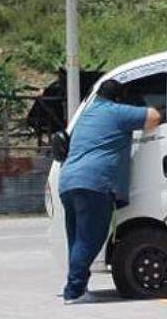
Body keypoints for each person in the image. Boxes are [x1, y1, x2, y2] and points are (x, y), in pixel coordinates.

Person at [58, 79, 161, 303]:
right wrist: (142, 105)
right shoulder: (116, 112)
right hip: (94, 184)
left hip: (68, 182)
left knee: (76, 240)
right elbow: (154, 117)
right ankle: (73, 291)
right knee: (89, 239)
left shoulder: (86, 114)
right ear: (118, 98)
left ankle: (78, 286)